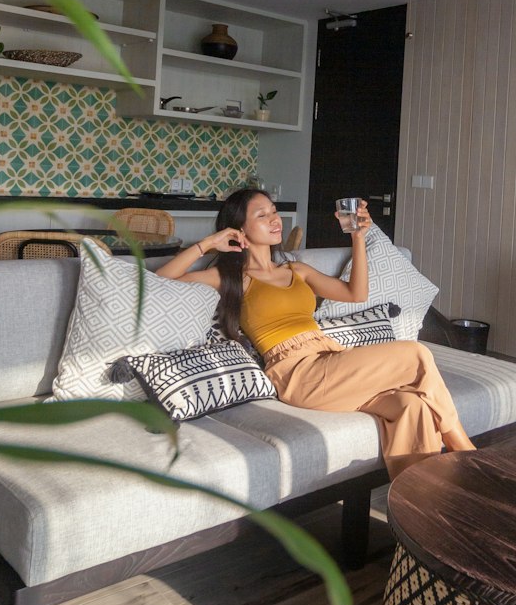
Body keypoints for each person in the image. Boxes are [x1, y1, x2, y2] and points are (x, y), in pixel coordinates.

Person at [156, 187, 475, 472]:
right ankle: (466, 452)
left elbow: (356, 294)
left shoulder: (297, 270)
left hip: (331, 361)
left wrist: (357, 238)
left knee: (413, 406)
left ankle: (420, 512)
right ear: (240, 227)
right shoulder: (233, 278)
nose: (275, 219)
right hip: (297, 374)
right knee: (416, 354)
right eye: (262, 214)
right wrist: (208, 244)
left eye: (274, 211)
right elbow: (162, 281)